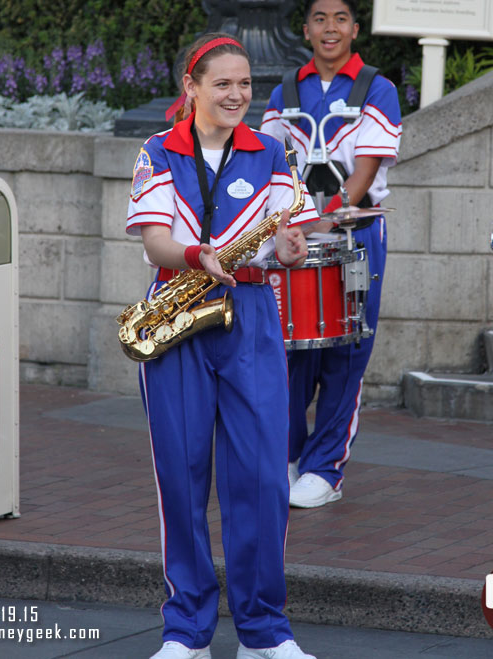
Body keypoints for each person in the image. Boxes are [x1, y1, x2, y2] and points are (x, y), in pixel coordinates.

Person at [125, 33, 319, 659]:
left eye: (245, 84)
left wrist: (291, 246)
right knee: (181, 477)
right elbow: (155, 241)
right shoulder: (159, 152)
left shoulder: (272, 151)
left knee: (262, 477)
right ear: (192, 87)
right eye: (223, 84)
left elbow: (291, 234)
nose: (237, 94)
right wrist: (193, 255)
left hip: (254, 313)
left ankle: (265, 635)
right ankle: (186, 632)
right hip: (179, 308)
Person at [260, 0, 402, 509]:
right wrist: (284, 224)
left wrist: (325, 217)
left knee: (347, 349)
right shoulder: (284, 92)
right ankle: (289, 456)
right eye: (320, 19)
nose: (330, 29)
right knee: (291, 348)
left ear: (355, 28)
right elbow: (272, 166)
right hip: (296, 235)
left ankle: (326, 469)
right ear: (306, 29)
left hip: (355, 234)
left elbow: (364, 171)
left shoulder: (376, 87)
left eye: (340, 19)